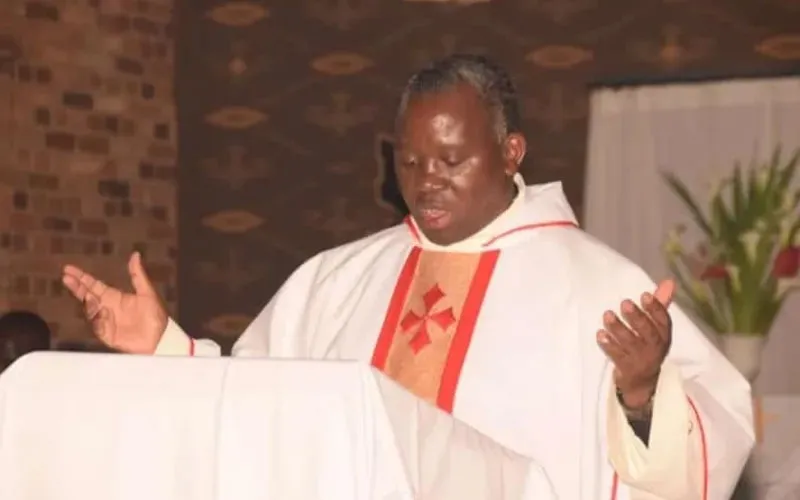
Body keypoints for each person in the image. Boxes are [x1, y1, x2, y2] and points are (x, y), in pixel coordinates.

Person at [62, 54, 754, 499]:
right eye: (411, 162)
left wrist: (642, 392)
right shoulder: (334, 282)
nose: (427, 182)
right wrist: (166, 347)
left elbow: (711, 452)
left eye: (451, 161)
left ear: (511, 151)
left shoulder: (597, 287)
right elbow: (259, 407)